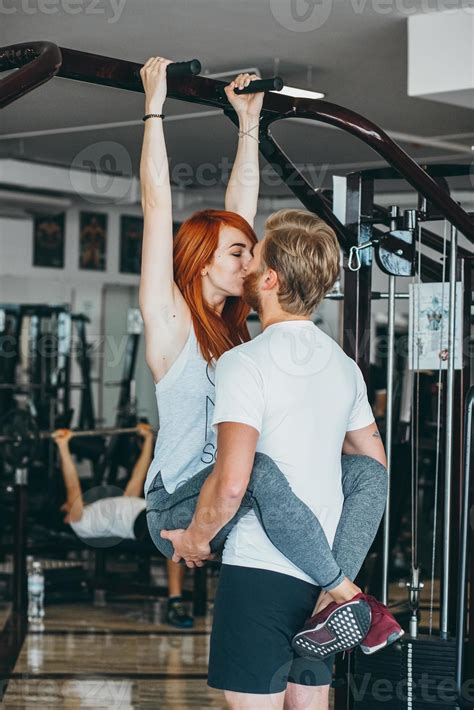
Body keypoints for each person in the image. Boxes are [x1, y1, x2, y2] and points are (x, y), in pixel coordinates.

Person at [139, 57, 401, 683]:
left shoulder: (237, 335)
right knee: (254, 466)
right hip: (180, 509)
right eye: (239, 252)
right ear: (202, 261)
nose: (252, 261)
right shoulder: (170, 325)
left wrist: (248, 122)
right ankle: (345, 594)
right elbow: (155, 206)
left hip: (231, 500)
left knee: (366, 472)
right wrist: (155, 104)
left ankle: (326, 597)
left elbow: (240, 204)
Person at [160, 210, 403, 708]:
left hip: (261, 571)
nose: (246, 264)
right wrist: (335, 577)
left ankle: (345, 591)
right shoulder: (345, 367)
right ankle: (347, 591)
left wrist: (195, 540)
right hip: (319, 585)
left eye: (255, 257)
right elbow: (372, 470)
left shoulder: (244, 362)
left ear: (269, 279)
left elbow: (233, 482)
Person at [52, 423, 193, 629]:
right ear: (64, 515)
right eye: (67, 503)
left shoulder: (107, 507)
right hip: (142, 523)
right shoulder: (78, 522)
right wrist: (63, 446)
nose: (72, 501)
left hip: (149, 512)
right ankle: (175, 602)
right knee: (175, 532)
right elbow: (72, 486)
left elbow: (138, 476)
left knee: (190, 515)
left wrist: (147, 441)